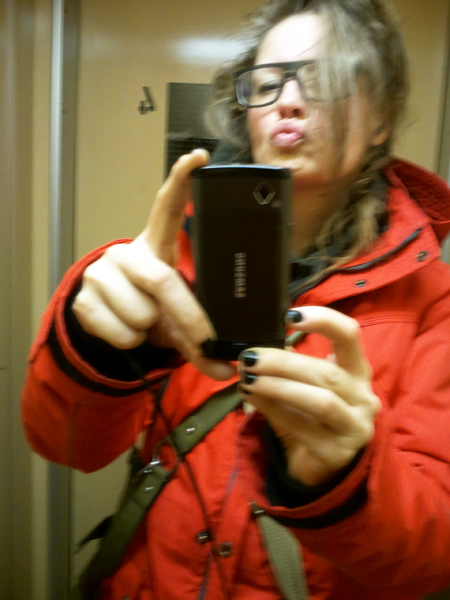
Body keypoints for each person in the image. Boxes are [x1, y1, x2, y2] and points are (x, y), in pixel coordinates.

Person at [21, 0, 450, 598]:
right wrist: (94, 349)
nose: (287, 101)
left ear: (380, 121)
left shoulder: (431, 298)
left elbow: (433, 559)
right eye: (268, 83)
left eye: (324, 80)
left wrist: (347, 477)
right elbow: (65, 447)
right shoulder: (169, 262)